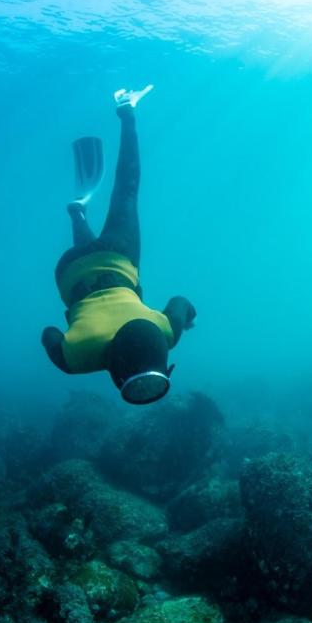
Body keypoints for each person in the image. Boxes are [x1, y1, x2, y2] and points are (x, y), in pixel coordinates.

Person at [42, 87, 196, 404]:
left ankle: (126, 108)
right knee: (85, 262)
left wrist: (188, 318)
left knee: (126, 189)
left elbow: (180, 300)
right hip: (70, 272)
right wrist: (86, 340)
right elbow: (48, 334)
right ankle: (77, 213)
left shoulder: (166, 331)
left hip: (118, 257)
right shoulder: (74, 360)